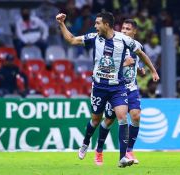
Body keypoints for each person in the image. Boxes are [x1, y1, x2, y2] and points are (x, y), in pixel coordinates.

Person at [56, 12, 159, 167]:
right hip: (99, 87)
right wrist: (62, 24)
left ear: (106, 24)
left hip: (117, 87)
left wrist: (153, 70)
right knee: (96, 120)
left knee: (123, 117)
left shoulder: (124, 40)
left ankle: (123, 157)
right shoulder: (94, 38)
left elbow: (140, 53)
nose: (95, 26)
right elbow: (71, 40)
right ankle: (85, 143)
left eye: (98, 23)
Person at [93, 19, 159, 166]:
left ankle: (129, 151)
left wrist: (142, 70)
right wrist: (125, 63)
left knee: (136, 116)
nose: (124, 31)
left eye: (128, 29)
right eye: (122, 28)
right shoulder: (115, 44)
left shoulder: (137, 46)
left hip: (131, 87)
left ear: (134, 32)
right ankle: (98, 150)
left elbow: (137, 62)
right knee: (109, 120)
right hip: (115, 87)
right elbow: (107, 66)